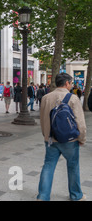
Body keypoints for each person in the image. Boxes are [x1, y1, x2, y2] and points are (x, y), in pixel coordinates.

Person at [37, 73, 86, 201]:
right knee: (73, 167)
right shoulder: (73, 98)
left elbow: (43, 119)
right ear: (66, 83)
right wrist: (82, 138)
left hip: (51, 139)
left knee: (48, 166)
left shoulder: (46, 97)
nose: (71, 85)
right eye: (71, 83)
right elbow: (80, 122)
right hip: (70, 140)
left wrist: (46, 136)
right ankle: (76, 195)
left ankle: (42, 197)